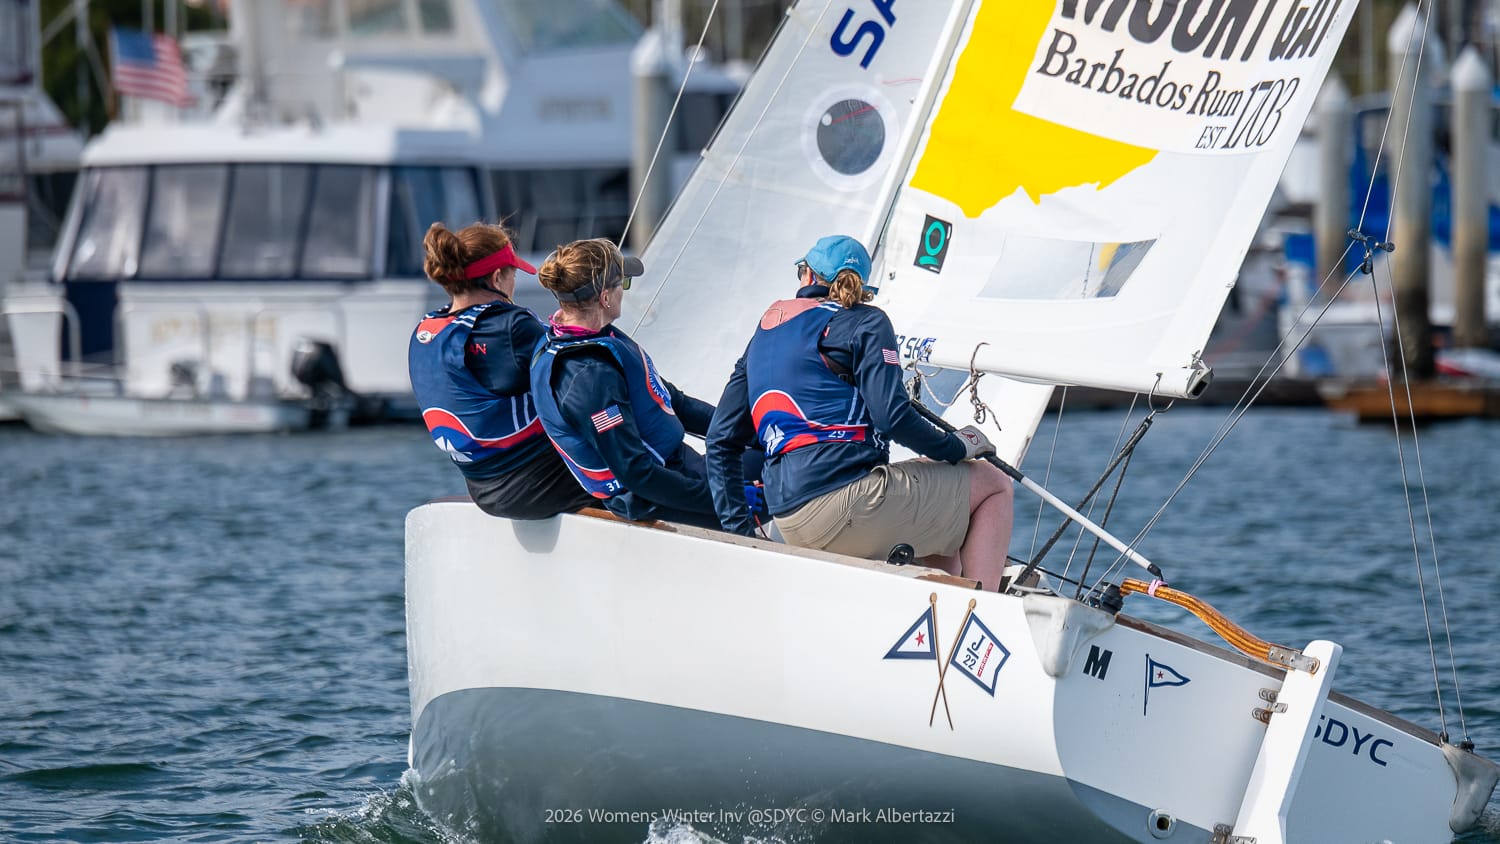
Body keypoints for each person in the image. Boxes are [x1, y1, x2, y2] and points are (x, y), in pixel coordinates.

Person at [705, 235, 1015, 590]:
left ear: (808, 276)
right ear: (864, 289)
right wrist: (959, 446)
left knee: (937, 496)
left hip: (788, 518)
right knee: (994, 485)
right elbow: (892, 418)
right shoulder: (868, 322)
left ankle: (942, 599)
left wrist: (742, 538)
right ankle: (982, 613)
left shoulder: (764, 333)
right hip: (844, 509)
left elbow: (720, 439)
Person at [529, 238, 723, 529]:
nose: (625, 290)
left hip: (678, 467)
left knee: (772, 458)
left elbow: (674, 401)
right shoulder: (589, 378)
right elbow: (636, 473)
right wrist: (724, 500)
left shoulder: (594, 337)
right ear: (605, 297)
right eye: (624, 284)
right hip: (654, 495)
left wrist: (745, 428)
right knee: (779, 487)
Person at [408, 221, 595, 520]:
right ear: (497, 277)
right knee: (646, 458)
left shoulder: (425, 332)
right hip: (539, 484)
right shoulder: (510, 327)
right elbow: (590, 371)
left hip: (483, 491)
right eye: (513, 275)